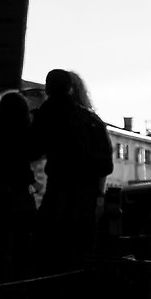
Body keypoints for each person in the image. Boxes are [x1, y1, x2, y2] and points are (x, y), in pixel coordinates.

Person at [29, 69, 113, 274]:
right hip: (87, 198)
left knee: (50, 249)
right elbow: (106, 165)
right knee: (81, 251)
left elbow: (32, 150)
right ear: (71, 88)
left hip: (59, 192)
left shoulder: (47, 115)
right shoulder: (92, 121)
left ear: (48, 89)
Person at [0, 90, 39, 286]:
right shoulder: (19, 136)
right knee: (20, 252)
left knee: (0, 253)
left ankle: (1, 288)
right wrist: (32, 187)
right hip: (17, 205)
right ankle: (17, 289)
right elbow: (23, 175)